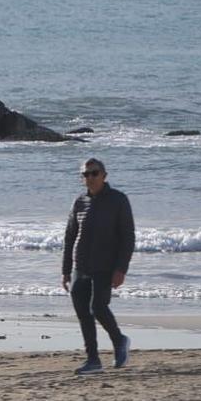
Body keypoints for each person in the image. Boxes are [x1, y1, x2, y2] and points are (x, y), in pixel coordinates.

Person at [61, 157, 134, 375]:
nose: (90, 178)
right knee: (83, 313)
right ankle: (93, 360)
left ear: (104, 175)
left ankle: (119, 340)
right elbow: (69, 236)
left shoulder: (118, 200)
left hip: (106, 266)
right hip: (80, 266)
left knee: (98, 307)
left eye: (94, 173)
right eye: (86, 174)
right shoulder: (79, 202)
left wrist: (121, 269)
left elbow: (128, 237)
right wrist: (65, 270)